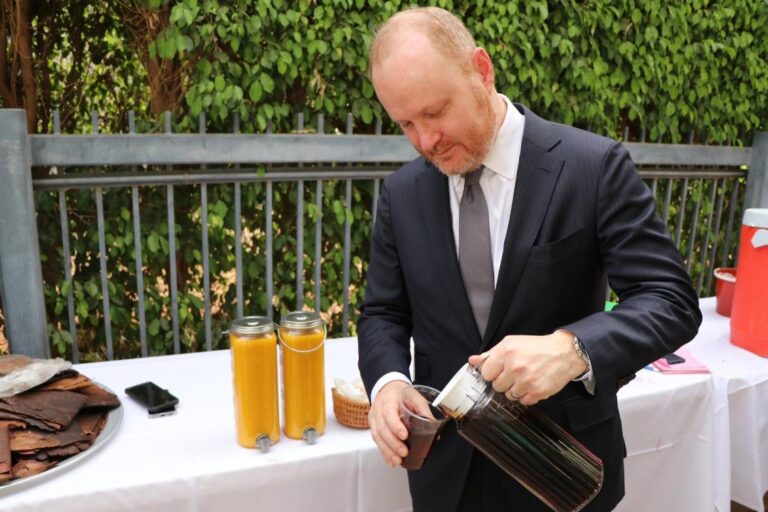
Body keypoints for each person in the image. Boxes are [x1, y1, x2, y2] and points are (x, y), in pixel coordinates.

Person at [356, 6, 702, 512]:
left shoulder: (593, 166)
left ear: (481, 69)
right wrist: (387, 383)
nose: (425, 141)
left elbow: (670, 300)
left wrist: (572, 350)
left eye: (435, 112)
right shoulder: (402, 194)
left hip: (565, 469)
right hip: (447, 478)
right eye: (405, 123)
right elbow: (384, 313)